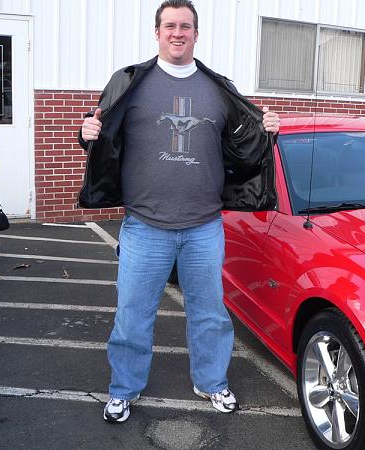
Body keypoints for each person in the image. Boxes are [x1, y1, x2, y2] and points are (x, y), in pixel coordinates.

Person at [78, 0, 280, 423]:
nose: (177, 32)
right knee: (132, 315)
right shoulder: (131, 81)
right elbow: (103, 133)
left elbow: (242, 149)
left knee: (210, 315)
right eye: (169, 25)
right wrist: (85, 133)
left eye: (185, 26)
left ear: (196, 34)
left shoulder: (217, 88)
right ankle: (123, 389)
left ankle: (211, 382)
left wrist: (266, 133)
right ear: (157, 32)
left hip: (204, 227)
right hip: (145, 226)